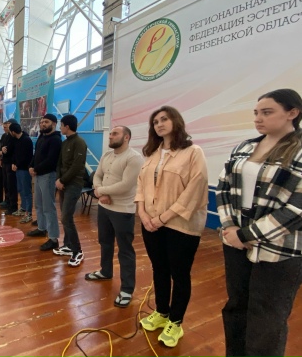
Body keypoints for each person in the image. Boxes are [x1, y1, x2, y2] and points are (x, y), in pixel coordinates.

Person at [216, 88, 302, 357]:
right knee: (236, 306)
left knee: (267, 318)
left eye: (267, 112)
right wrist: (230, 228)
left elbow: (297, 209)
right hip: (235, 243)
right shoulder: (244, 147)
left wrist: (246, 234)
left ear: (292, 113)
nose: (258, 118)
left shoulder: (299, 151)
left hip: (279, 250)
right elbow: (223, 188)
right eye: (256, 113)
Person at [136, 106, 208, 348]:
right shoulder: (152, 154)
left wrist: (163, 218)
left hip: (180, 225)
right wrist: (142, 213)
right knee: (159, 269)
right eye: (155, 121)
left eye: (164, 119)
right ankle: (161, 312)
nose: (159, 124)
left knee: (179, 273)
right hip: (150, 223)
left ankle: (175, 322)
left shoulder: (193, 152)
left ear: (176, 121)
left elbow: (195, 189)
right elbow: (141, 185)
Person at [84, 126, 143, 308]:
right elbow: (97, 175)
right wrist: (100, 192)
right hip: (104, 207)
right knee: (105, 242)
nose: (110, 136)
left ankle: (127, 289)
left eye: (114, 134)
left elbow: (126, 185)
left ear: (126, 137)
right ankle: (105, 271)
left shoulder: (134, 158)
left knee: (125, 249)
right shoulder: (106, 155)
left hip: (123, 210)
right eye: (110, 134)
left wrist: (100, 191)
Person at [54, 114, 88, 267]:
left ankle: (77, 251)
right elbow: (59, 164)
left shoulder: (79, 143)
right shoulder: (65, 142)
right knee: (64, 216)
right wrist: (59, 179)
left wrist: (63, 180)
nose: (60, 128)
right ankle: (68, 245)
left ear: (67, 126)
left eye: (61, 125)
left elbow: (77, 166)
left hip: (73, 184)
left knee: (66, 217)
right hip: (63, 184)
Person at [27, 114, 62, 251]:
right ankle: (42, 228)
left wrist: (35, 169)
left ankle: (53, 238)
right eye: (41, 122)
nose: (43, 124)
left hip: (48, 176)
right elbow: (36, 155)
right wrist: (31, 166)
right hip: (38, 174)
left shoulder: (55, 140)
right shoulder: (42, 137)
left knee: (48, 207)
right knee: (39, 204)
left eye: (46, 122)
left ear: (54, 123)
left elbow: (51, 160)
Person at [9, 123, 34, 223]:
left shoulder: (26, 140)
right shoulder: (16, 140)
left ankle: (29, 213)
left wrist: (17, 164)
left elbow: (27, 157)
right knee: (20, 189)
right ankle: (23, 208)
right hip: (18, 168)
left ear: (13, 132)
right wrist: (13, 163)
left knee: (27, 191)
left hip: (24, 169)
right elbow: (14, 154)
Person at [0, 119, 19, 215]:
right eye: (5, 126)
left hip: (11, 163)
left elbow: (10, 150)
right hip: (5, 161)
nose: (6, 127)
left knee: (11, 185)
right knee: (6, 183)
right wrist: (1, 150)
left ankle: (13, 205)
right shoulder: (5, 136)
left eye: (8, 125)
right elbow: (2, 147)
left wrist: (4, 150)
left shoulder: (14, 137)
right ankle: (7, 201)